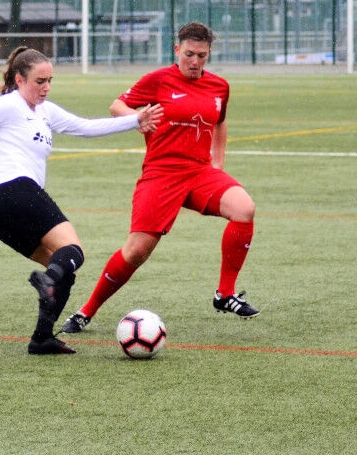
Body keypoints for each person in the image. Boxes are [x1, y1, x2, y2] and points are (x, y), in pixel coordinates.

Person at [0, 46, 163, 355]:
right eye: (39, 81)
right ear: (20, 80)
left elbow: (86, 127)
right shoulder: (8, 105)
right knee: (73, 251)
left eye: (49, 81)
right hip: (14, 190)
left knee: (64, 270)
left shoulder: (46, 111)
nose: (46, 87)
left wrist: (135, 120)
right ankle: (47, 283)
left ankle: (42, 338)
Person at [62, 21, 259, 334]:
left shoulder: (219, 86)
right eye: (189, 54)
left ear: (209, 54)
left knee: (244, 208)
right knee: (136, 251)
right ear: (177, 50)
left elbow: (220, 122)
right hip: (161, 174)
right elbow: (117, 105)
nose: (194, 61)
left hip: (199, 172)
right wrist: (136, 118)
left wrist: (218, 163)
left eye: (202, 56)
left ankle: (225, 294)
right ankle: (86, 311)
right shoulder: (158, 80)